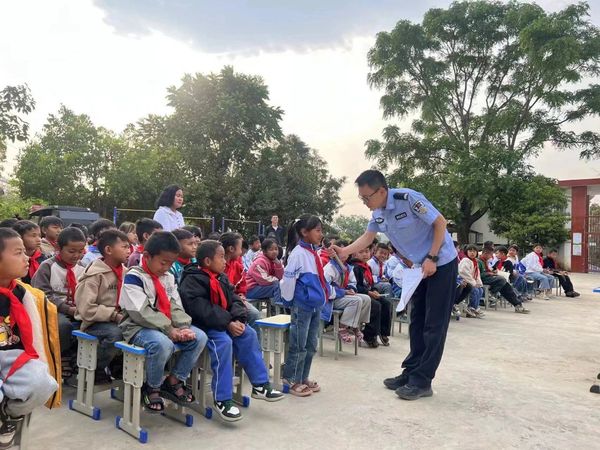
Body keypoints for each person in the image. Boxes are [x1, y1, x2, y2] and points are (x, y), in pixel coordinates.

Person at [331, 170, 458, 401]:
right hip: (420, 268)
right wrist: (345, 251)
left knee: (434, 325)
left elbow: (440, 223)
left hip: (441, 263)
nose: (365, 202)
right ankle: (410, 372)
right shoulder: (378, 213)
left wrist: (432, 257)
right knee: (417, 320)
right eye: (362, 199)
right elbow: (368, 237)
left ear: (381, 191)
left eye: (367, 197)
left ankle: (423, 380)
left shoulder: (407, 199)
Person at [179, 240, 283, 422]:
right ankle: (222, 399)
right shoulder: (192, 279)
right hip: (204, 325)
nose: (225, 261)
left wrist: (237, 319)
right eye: (220, 257)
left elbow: (234, 299)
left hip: (223, 321)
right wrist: (228, 323)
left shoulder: (221, 277)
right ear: (207, 261)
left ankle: (260, 385)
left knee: (248, 333)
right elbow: (201, 309)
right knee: (223, 342)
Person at [119, 231, 207, 412]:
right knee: (162, 344)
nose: (166, 267)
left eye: (171, 263)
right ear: (147, 256)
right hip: (137, 326)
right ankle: (152, 387)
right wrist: (170, 329)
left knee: (199, 337)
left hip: (166, 325)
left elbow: (175, 305)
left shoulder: (168, 277)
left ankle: (174, 381)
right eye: (163, 262)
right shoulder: (134, 276)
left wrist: (183, 327)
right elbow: (140, 311)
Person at [0, 228, 61, 448]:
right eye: (18, 253)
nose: (26, 257)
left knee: (44, 383)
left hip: (14, 355)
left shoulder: (22, 293)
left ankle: (9, 416)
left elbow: (32, 335)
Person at [280, 214, 327, 397]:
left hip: (316, 305)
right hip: (302, 305)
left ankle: (303, 377)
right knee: (298, 345)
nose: (321, 234)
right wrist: (289, 301)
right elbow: (288, 280)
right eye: (318, 230)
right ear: (304, 232)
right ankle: (291, 379)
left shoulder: (314, 252)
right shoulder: (298, 254)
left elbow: (320, 279)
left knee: (311, 344)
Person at [74, 230, 130, 383]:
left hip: (117, 318)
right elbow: (86, 308)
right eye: (124, 247)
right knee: (116, 334)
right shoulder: (94, 275)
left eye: (129, 247)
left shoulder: (125, 272)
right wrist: (113, 315)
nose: (129, 251)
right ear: (108, 250)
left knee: (137, 331)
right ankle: (96, 367)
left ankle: (119, 366)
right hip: (94, 322)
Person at [32, 228, 86, 367]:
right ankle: (60, 356)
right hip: (53, 309)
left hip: (77, 308)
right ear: (58, 248)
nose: (76, 256)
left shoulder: (83, 267)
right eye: (71, 251)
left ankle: (81, 358)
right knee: (62, 326)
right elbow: (42, 295)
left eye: (80, 251)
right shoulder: (48, 266)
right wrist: (67, 309)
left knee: (93, 325)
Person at [322, 240, 371, 343]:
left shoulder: (348, 268)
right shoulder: (329, 268)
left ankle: (355, 324)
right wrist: (343, 292)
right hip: (331, 299)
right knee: (356, 300)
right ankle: (342, 327)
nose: (344, 255)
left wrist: (351, 289)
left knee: (366, 299)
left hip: (343, 296)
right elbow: (325, 289)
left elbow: (352, 282)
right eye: (340, 252)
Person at [220, 233, 261, 334]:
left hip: (235, 299)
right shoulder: (218, 264)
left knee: (254, 313)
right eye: (240, 247)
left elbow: (241, 284)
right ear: (231, 249)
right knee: (249, 314)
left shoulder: (237, 263)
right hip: (224, 300)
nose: (242, 251)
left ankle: (254, 348)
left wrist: (241, 294)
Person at [351, 247, 392, 347]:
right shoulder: (355, 267)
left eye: (367, 252)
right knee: (375, 305)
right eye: (361, 252)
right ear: (355, 255)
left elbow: (371, 284)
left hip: (368, 293)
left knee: (386, 303)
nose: (365, 254)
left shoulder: (367, 267)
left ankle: (383, 332)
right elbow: (356, 286)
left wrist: (375, 291)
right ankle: (369, 335)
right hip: (358, 294)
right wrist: (369, 292)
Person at [478, 249, 530, 314]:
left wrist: (492, 272)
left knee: (505, 285)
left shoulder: (485, 261)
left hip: (489, 278)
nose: (492, 257)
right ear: (485, 253)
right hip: (481, 279)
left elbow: (488, 270)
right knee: (502, 279)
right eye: (491, 255)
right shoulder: (479, 261)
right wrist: (489, 273)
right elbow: (479, 274)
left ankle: (517, 304)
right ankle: (491, 293)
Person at [245, 238, 284, 304]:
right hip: (250, 290)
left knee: (281, 285)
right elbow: (264, 280)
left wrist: (278, 265)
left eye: (276, 249)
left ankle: (277, 307)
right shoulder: (259, 262)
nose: (274, 251)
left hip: (260, 287)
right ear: (264, 251)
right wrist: (278, 280)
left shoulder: (274, 260)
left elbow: (281, 277)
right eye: (271, 249)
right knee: (276, 286)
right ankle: (278, 306)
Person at [12, 220, 46, 285]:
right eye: (33, 236)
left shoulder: (43, 258)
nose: (39, 239)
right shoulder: (15, 260)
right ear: (20, 237)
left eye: (39, 236)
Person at [458, 245, 485, 318]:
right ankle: (471, 308)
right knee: (475, 291)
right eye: (470, 251)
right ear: (466, 252)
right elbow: (464, 273)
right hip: (464, 281)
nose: (472, 253)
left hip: (472, 281)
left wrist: (479, 283)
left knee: (480, 290)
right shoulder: (465, 260)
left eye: (474, 251)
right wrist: (473, 283)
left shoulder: (475, 261)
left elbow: (477, 274)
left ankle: (475, 307)